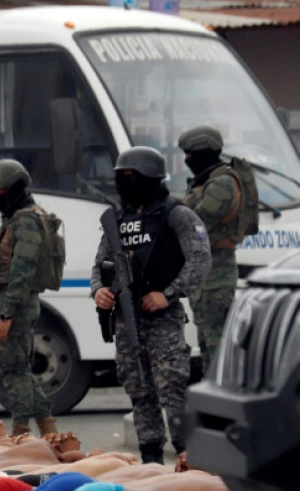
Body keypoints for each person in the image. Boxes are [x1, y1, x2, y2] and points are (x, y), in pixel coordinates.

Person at [90, 147, 211, 466]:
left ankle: (192, 459)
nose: (126, 183)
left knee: (172, 388)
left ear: (150, 179)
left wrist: (169, 294)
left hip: (163, 318)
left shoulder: (176, 213)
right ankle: (151, 462)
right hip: (126, 321)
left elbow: (200, 259)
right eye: (122, 177)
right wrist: (99, 291)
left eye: (133, 177)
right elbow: (100, 264)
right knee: (139, 390)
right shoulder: (116, 219)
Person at [0, 159, 59, 438]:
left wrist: (6, 315)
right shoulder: (21, 218)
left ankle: (20, 434)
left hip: (13, 305)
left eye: (0, 192)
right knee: (20, 370)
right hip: (10, 302)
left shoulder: (25, 221)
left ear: (16, 187)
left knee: (13, 373)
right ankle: (49, 432)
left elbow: (22, 271)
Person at [177, 126, 248, 374]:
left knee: (218, 344)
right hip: (204, 273)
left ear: (205, 152)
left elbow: (198, 222)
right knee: (206, 342)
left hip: (217, 273)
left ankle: (223, 396)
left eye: (190, 154)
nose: (187, 160)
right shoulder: (205, 181)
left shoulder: (222, 184)